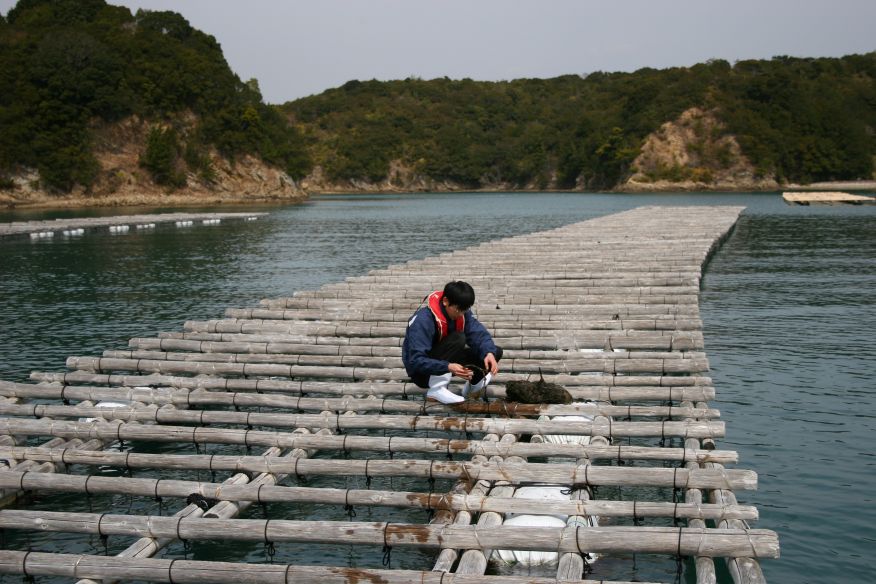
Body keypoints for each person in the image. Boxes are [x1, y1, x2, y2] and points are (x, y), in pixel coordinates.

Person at [402, 281, 502, 404]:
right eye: (458, 310)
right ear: (445, 301)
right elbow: (416, 360)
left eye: (465, 310)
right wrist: (448, 367)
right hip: (422, 373)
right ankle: (436, 389)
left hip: (446, 360)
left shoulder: (462, 313)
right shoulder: (422, 320)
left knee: (494, 352)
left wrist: (489, 353)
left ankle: (471, 390)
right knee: (458, 338)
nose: (461, 314)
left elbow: (478, 333)